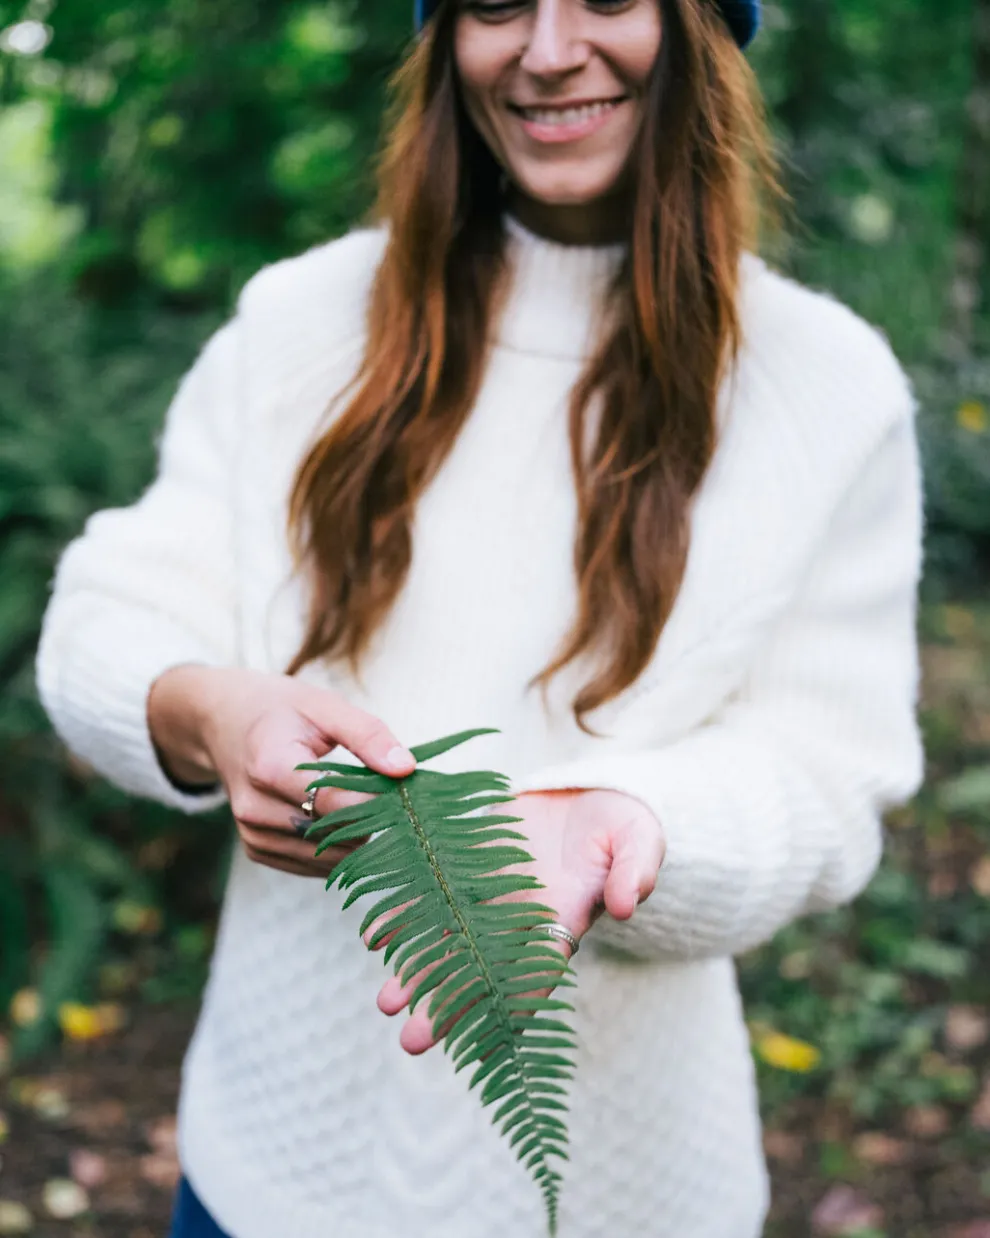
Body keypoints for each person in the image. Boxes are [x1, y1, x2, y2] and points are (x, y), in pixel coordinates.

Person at [35, 0, 925, 1234]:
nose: (549, 52)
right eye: (496, 2)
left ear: (700, 26)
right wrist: (210, 713)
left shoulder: (825, 385)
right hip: (270, 1168)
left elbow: (825, 773)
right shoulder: (303, 321)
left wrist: (630, 826)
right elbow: (114, 609)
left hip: (624, 1195)